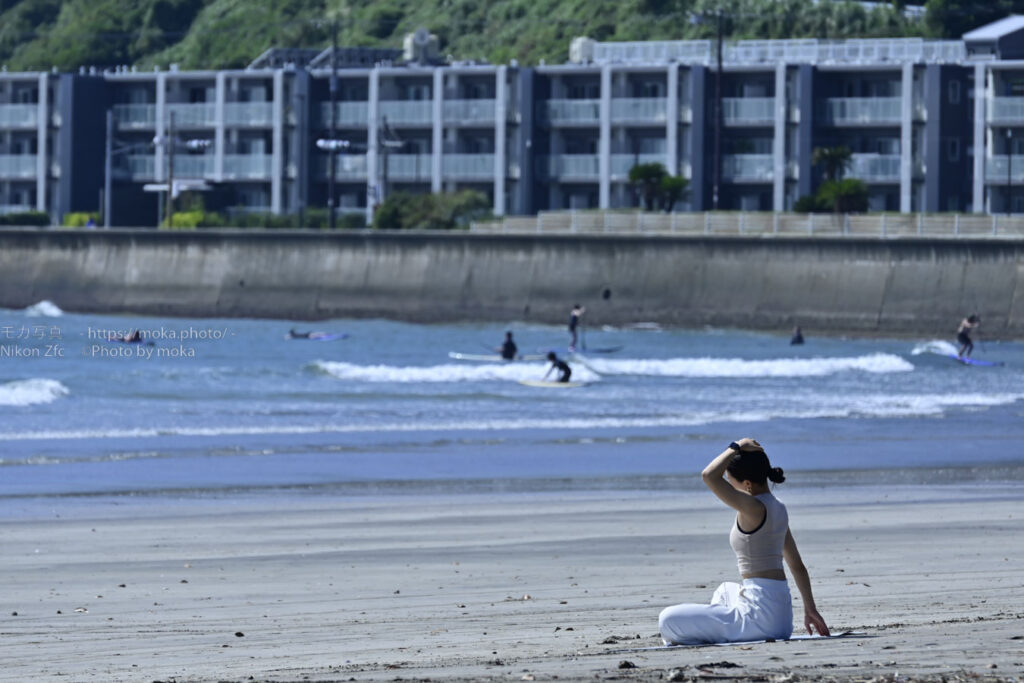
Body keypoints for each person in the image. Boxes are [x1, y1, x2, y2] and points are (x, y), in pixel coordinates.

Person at [658, 439, 829, 645]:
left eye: (731, 481)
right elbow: (797, 566)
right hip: (782, 620)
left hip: (759, 621)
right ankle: (722, 629)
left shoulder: (753, 508)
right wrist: (810, 609)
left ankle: (724, 631)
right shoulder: (779, 508)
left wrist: (737, 445)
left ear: (747, 484)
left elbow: (708, 475)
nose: (729, 486)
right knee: (724, 590)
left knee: (667, 619)